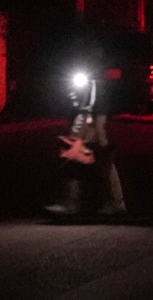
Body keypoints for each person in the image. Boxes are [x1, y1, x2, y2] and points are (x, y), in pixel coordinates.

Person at [46, 72, 126, 218]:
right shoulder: (93, 68)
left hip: (92, 112)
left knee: (80, 152)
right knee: (99, 156)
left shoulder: (97, 73)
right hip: (94, 111)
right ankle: (113, 202)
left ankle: (70, 202)